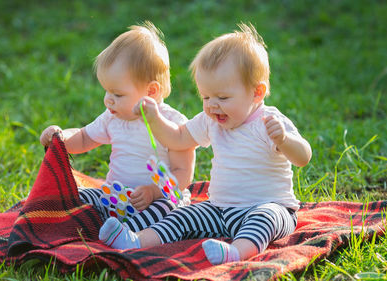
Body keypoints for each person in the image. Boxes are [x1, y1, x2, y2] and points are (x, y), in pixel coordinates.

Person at [98, 23, 312, 265]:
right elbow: (178, 137)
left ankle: (236, 252)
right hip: (219, 209)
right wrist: (155, 117)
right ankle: (135, 240)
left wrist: (284, 140)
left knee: (265, 218)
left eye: (222, 97)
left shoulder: (269, 123)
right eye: (206, 97)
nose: (212, 105)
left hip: (270, 206)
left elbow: (303, 157)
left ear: (257, 93)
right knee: (183, 216)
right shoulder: (211, 122)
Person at [39, 21, 195, 232]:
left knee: (170, 212)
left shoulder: (173, 124)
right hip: (117, 196)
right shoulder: (113, 118)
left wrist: (153, 191)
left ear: (151, 92)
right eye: (106, 91)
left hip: (159, 199)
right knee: (78, 196)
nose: (107, 100)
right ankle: (83, 223)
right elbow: (84, 138)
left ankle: (127, 234)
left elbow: (183, 174)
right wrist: (60, 137)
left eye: (117, 94)